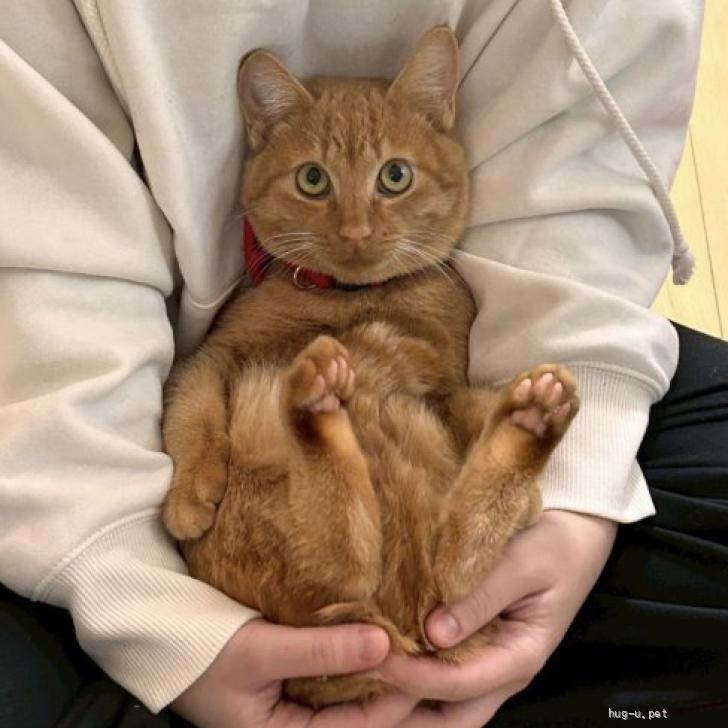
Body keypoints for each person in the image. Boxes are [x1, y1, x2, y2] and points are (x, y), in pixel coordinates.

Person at [2, 1, 723, 726]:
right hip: (157, 481)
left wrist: (577, 493)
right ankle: (381, 463)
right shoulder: (271, 297)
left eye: (393, 180)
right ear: (260, 134)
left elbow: (449, 400)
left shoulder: (444, 294)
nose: (355, 228)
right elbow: (191, 364)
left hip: (417, 518)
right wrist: (146, 588)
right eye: (315, 184)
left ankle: (456, 473)